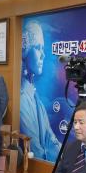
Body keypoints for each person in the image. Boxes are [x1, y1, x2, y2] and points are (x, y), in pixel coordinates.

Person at [20, 20, 61, 161]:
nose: (43, 55)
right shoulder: (22, 97)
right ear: (25, 51)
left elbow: (50, 138)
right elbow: (35, 149)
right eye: (38, 47)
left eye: (43, 48)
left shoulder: (32, 93)